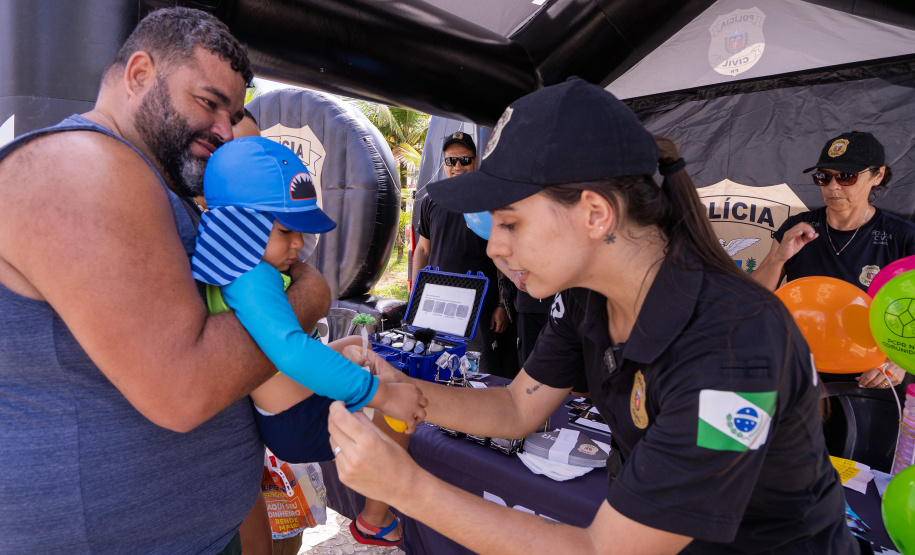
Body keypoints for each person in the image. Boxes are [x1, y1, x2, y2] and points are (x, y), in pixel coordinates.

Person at [328, 78, 859, 554]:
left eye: (510, 223)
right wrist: (389, 388)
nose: (494, 247)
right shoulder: (588, 297)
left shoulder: (733, 344)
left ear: (595, 213)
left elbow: (605, 549)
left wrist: (405, 487)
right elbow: (517, 408)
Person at [0, 8, 326, 553]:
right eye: (209, 102)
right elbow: (187, 388)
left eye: (234, 112)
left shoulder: (150, 182)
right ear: (139, 74)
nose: (225, 130)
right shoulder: (80, 166)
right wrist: (311, 293)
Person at [195, 136, 422, 548]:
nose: (298, 244)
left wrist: (340, 348)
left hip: (286, 405)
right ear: (242, 225)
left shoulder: (228, 272)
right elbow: (290, 351)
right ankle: (375, 516)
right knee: (397, 411)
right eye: (287, 231)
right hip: (296, 422)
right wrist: (381, 396)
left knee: (359, 353)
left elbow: (276, 357)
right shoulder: (254, 277)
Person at [752, 131, 915, 390]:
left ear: (878, 175)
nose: (833, 186)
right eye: (823, 177)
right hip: (798, 371)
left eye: (846, 176)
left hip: (870, 379)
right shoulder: (796, 228)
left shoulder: (902, 237)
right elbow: (751, 298)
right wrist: (777, 259)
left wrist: (901, 363)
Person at [413, 131, 511, 376]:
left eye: (464, 160)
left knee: (479, 372)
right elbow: (423, 249)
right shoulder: (430, 200)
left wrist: (502, 303)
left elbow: (500, 253)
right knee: (438, 366)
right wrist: (416, 292)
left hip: (479, 305)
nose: (457, 166)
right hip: (437, 302)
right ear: (443, 163)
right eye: (450, 161)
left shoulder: (489, 199)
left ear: (475, 161)